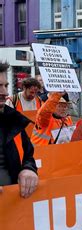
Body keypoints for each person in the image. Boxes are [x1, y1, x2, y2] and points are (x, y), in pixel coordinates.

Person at [0, 61, 38, 198]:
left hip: (13, 209)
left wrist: (28, 169)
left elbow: (28, 155)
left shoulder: (14, 121)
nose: (4, 92)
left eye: (5, 86)